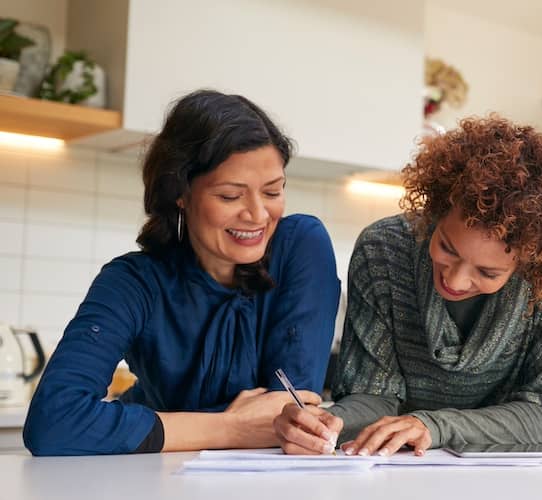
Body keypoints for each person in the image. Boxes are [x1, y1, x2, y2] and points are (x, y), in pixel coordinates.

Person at [23, 90, 341, 456]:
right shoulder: (132, 282)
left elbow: (292, 412)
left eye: (273, 192)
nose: (257, 215)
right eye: (229, 196)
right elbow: (53, 421)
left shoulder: (301, 244)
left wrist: (174, 425)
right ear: (181, 193)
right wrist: (229, 428)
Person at [274, 115, 542, 456]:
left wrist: (434, 425)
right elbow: (373, 395)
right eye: (446, 248)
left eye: (487, 273)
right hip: (401, 466)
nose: (454, 280)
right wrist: (325, 423)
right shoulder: (383, 250)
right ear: (437, 209)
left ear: (529, 264)